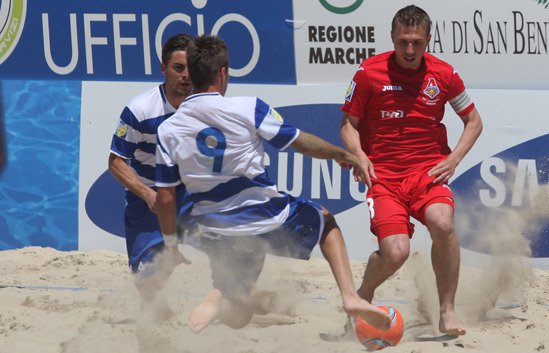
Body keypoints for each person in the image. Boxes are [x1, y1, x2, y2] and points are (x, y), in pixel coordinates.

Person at [153, 34, 391, 334]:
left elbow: (165, 198)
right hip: (265, 217)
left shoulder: (168, 128)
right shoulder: (248, 107)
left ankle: (217, 299)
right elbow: (301, 143)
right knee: (326, 222)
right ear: (223, 72)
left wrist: (171, 245)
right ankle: (349, 296)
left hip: (213, 228)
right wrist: (342, 154)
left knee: (238, 317)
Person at [339, 5, 483, 336]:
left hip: (427, 173)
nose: (409, 50)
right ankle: (363, 294)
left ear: (428, 40)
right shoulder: (368, 72)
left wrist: (455, 158)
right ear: (392, 37)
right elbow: (348, 123)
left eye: (417, 42)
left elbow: (473, 121)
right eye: (403, 41)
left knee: (442, 223)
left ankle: (447, 309)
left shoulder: (444, 74)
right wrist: (359, 154)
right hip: (385, 178)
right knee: (396, 252)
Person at [108, 33, 195, 302]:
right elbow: (115, 162)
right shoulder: (140, 109)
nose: (185, 75)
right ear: (163, 68)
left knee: (238, 246)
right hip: (150, 196)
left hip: (192, 193)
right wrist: (147, 195)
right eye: (178, 68)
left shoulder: (205, 106)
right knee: (147, 282)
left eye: (191, 68)